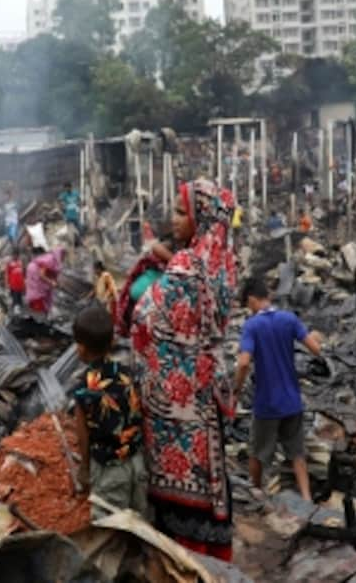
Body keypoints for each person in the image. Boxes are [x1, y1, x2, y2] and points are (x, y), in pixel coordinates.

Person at [130, 178, 237, 562]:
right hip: (206, 395)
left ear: (201, 216)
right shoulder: (223, 262)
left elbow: (144, 319)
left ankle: (183, 561)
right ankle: (214, 555)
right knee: (211, 476)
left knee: (183, 479)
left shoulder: (186, 265)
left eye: (181, 211)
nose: (174, 219)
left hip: (178, 405)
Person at [233, 277, 321, 502]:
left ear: (252, 299)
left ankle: (256, 493)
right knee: (297, 453)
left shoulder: (252, 326)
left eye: (247, 304)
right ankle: (307, 498)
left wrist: (236, 390)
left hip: (267, 403)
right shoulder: (289, 319)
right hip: (292, 400)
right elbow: (315, 348)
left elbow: (243, 363)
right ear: (268, 296)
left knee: (258, 453)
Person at [72, 306, 148, 514]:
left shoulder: (84, 389)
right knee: (139, 523)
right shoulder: (129, 374)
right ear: (112, 342)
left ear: (81, 348)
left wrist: (84, 468)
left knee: (109, 529)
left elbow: (83, 435)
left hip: (109, 470)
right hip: (137, 464)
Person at [26, 246, 65, 317]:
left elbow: (49, 274)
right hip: (38, 294)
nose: (63, 258)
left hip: (33, 293)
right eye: (63, 255)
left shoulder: (36, 262)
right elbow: (42, 274)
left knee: (38, 314)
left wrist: (55, 282)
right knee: (41, 314)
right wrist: (51, 282)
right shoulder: (49, 260)